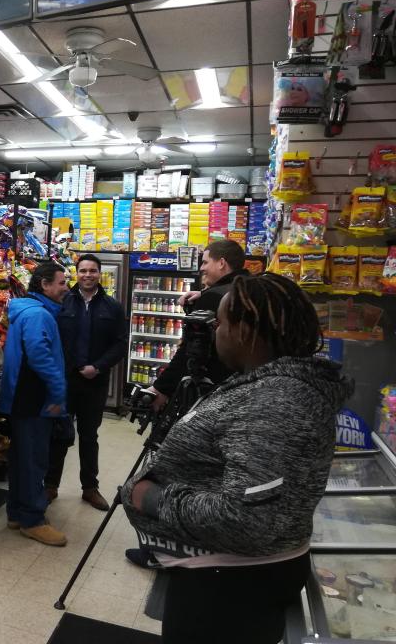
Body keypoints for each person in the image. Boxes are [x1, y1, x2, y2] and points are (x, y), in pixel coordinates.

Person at [121, 273, 353, 644]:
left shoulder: (276, 400)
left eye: (222, 323)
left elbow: (247, 518)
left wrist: (150, 497)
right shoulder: (270, 385)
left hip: (227, 590)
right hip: (226, 578)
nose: (216, 333)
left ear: (244, 332)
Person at [0, 262, 70, 547]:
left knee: (21, 459)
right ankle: (32, 519)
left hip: (22, 397)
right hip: (34, 398)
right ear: (45, 285)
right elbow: (39, 355)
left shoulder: (26, 310)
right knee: (34, 461)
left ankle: (17, 511)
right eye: (62, 283)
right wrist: (58, 390)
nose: (66, 288)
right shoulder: (39, 315)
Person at [49, 254, 128, 510]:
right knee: (60, 434)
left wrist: (99, 367)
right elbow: (55, 340)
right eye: (83, 270)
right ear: (76, 273)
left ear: (99, 273)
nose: (87, 275)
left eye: (92, 271)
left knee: (89, 436)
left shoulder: (112, 307)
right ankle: (50, 485)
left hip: (95, 382)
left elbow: (120, 344)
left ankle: (90, 488)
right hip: (66, 381)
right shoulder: (62, 303)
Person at [144, 239, 249, 411]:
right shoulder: (250, 287)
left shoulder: (213, 297)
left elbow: (190, 350)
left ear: (221, 263)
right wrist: (204, 292)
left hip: (212, 388)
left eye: (206, 262)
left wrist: (161, 388)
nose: (201, 268)